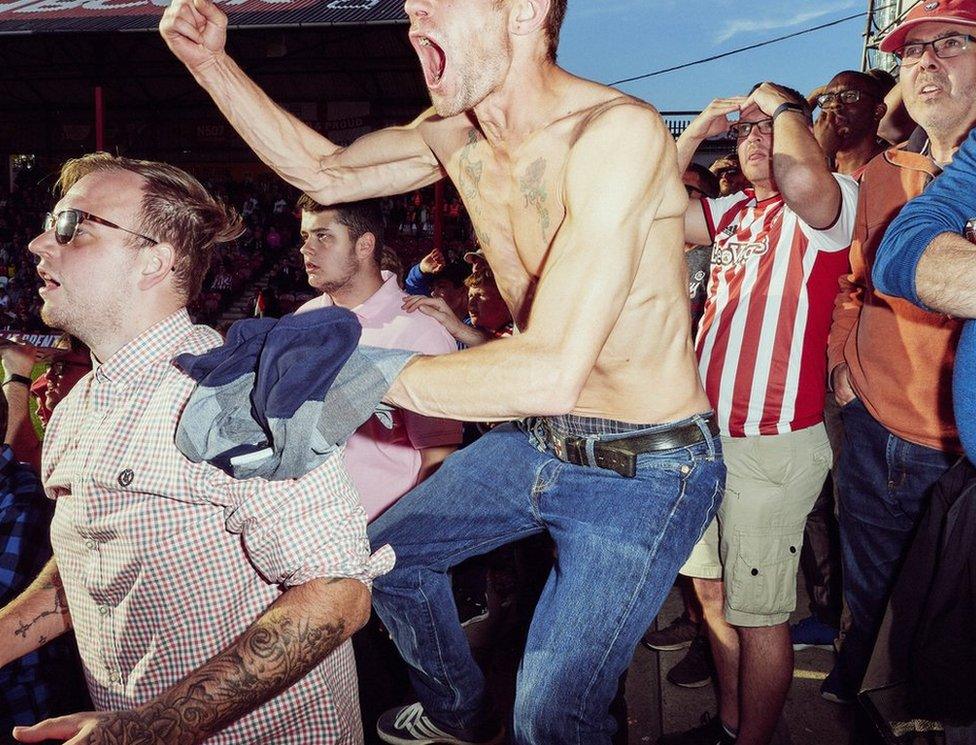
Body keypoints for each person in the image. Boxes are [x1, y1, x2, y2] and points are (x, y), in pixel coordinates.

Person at [160, 0, 725, 742]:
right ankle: (460, 713)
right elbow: (321, 170)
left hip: (643, 464)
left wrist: (350, 372)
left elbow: (552, 367)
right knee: (388, 560)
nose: (410, 9)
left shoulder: (614, 133)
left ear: (523, 13)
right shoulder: (454, 134)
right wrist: (211, 64)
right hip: (542, 440)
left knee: (550, 715)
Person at [2, 153, 390, 744]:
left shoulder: (239, 391)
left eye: (72, 226)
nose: (37, 243)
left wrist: (142, 731)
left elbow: (337, 596)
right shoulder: (79, 405)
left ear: (155, 260)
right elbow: (89, 561)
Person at [662, 84, 858, 745]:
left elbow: (805, 174)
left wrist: (779, 106)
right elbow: (650, 206)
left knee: (760, 615)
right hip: (707, 440)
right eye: (744, 132)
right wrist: (695, 133)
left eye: (768, 129)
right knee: (711, 597)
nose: (753, 139)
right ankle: (730, 723)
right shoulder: (735, 211)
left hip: (770, 443)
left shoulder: (825, 206)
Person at [824, 0, 976, 706]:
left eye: (951, 43)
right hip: (873, 431)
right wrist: (841, 365)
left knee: (944, 636)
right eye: (913, 52)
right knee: (868, 598)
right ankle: (862, 700)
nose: (926, 62)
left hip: (957, 459)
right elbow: (852, 284)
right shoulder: (884, 173)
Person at [295, 194, 461, 521]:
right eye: (305, 236)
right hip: (306, 531)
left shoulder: (419, 331)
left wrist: (400, 545)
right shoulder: (303, 319)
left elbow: (439, 460)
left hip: (380, 539)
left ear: (364, 245)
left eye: (323, 236)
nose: (306, 249)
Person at [812, 70, 889, 178]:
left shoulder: (893, 163)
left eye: (849, 96)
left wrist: (823, 155)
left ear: (878, 111)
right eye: (828, 99)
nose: (834, 104)